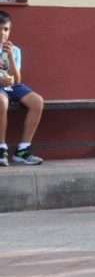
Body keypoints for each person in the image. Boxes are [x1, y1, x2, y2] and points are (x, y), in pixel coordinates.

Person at [0, 11, 44, 166]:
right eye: (0, 29)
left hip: (12, 86)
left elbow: (17, 79)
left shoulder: (15, 50)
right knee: (1, 102)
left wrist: (11, 57)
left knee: (37, 101)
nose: (2, 33)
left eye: (6, 29)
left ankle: (23, 150)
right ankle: (1, 149)